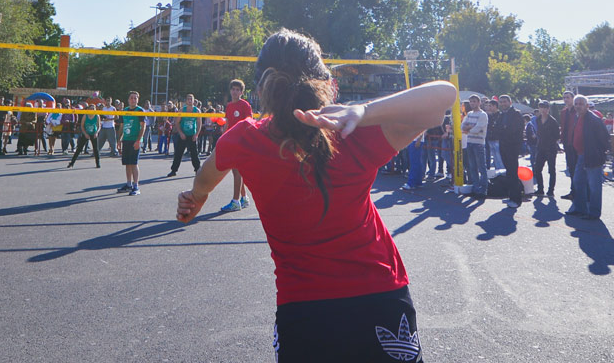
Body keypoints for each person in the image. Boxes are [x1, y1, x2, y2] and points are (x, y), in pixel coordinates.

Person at [176, 29, 455, 362]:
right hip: (379, 296)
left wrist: (196, 197)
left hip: (304, 312)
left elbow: (206, 175)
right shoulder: (353, 133)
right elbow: (444, 96)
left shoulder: (243, 140)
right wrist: (364, 110)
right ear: (324, 81)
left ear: (262, 87)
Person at [566, 95, 610, 220]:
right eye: (576, 104)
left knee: (594, 186)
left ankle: (594, 213)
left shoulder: (594, 119)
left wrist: (599, 153)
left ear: (587, 105)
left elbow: (604, 138)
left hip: (592, 156)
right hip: (580, 155)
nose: (578, 106)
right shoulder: (577, 117)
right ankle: (580, 209)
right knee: (578, 182)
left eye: (581, 103)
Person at [219, 79, 254, 212]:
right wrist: (222, 139)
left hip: (241, 142)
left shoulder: (245, 105)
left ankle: (235, 201)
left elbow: (249, 123)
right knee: (237, 171)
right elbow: (227, 124)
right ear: (230, 91)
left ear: (241, 92)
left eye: (238, 90)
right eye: (233, 89)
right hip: (231, 142)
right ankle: (244, 198)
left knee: (237, 171)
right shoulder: (229, 106)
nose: (235, 91)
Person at [496, 95, 525, 208]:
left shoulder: (516, 114)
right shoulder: (502, 114)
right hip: (503, 145)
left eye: (505, 102)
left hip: (512, 146)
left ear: (510, 102)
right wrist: (503, 128)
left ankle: (516, 199)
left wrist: (503, 129)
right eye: (501, 102)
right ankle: (511, 196)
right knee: (509, 172)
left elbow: (514, 130)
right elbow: (498, 128)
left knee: (513, 172)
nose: (503, 104)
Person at [118, 91, 146, 195]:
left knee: (134, 163)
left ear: (138, 100)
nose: (133, 100)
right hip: (126, 139)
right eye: (131, 98)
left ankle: (136, 186)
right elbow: (121, 126)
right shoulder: (124, 111)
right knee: (127, 163)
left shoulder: (140, 110)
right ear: (128, 99)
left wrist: (138, 140)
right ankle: (128, 184)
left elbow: (143, 126)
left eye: (135, 98)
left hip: (135, 140)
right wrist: (119, 140)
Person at [460, 95, 489, 198]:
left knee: (481, 167)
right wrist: (469, 127)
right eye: (471, 102)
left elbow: (478, 128)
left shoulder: (483, 114)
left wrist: (468, 129)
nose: (472, 103)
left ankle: (483, 190)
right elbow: (462, 126)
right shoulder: (469, 114)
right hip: (470, 142)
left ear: (479, 102)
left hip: (479, 143)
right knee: (472, 167)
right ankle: (476, 188)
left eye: (474, 101)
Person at [167, 94, 201, 176]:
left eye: (191, 99)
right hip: (183, 135)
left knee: (194, 154)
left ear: (194, 101)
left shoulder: (197, 111)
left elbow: (199, 123)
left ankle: (198, 170)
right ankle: (174, 170)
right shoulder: (182, 110)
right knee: (178, 153)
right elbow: (177, 123)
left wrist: (196, 135)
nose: (190, 100)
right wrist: (181, 133)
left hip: (192, 135)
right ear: (186, 101)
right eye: (188, 99)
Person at [532, 101, 560, 197]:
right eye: (541, 108)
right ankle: (540, 189)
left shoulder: (553, 121)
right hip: (540, 147)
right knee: (537, 168)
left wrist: (550, 140)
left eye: (545, 108)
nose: (543, 110)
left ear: (548, 109)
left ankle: (551, 190)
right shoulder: (538, 119)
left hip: (551, 148)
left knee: (551, 170)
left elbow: (557, 135)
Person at [67, 103, 101, 169]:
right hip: (86, 133)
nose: (92, 110)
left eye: (93, 108)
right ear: (88, 109)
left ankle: (98, 163)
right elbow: (82, 126)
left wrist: (96, 133)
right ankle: (72, 163)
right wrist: (85, 133)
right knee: (79, 148)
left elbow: (99, 126)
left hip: (93, 133)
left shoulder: (97, 116)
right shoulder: (85, 116)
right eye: (91, 108)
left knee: (96, 149)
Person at [558, 90, 578, 200]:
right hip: (568, 144)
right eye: (564, 97)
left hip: (577, 144)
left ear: (573, 98)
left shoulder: (578, 111)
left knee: (579, 169)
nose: (566, 99)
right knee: (571, 169)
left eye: (568, 97)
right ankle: (573, 191)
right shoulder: (564, 112)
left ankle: (582, 192)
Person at [485, 99, 502, 171]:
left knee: (499, 158)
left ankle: (502, 173)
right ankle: (498, 174)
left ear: (495, 106)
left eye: (490, 106)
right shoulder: (489, 116)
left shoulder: (500, 115)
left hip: (498, 139)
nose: (488, 108)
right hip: (490, 139)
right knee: (495, 158)